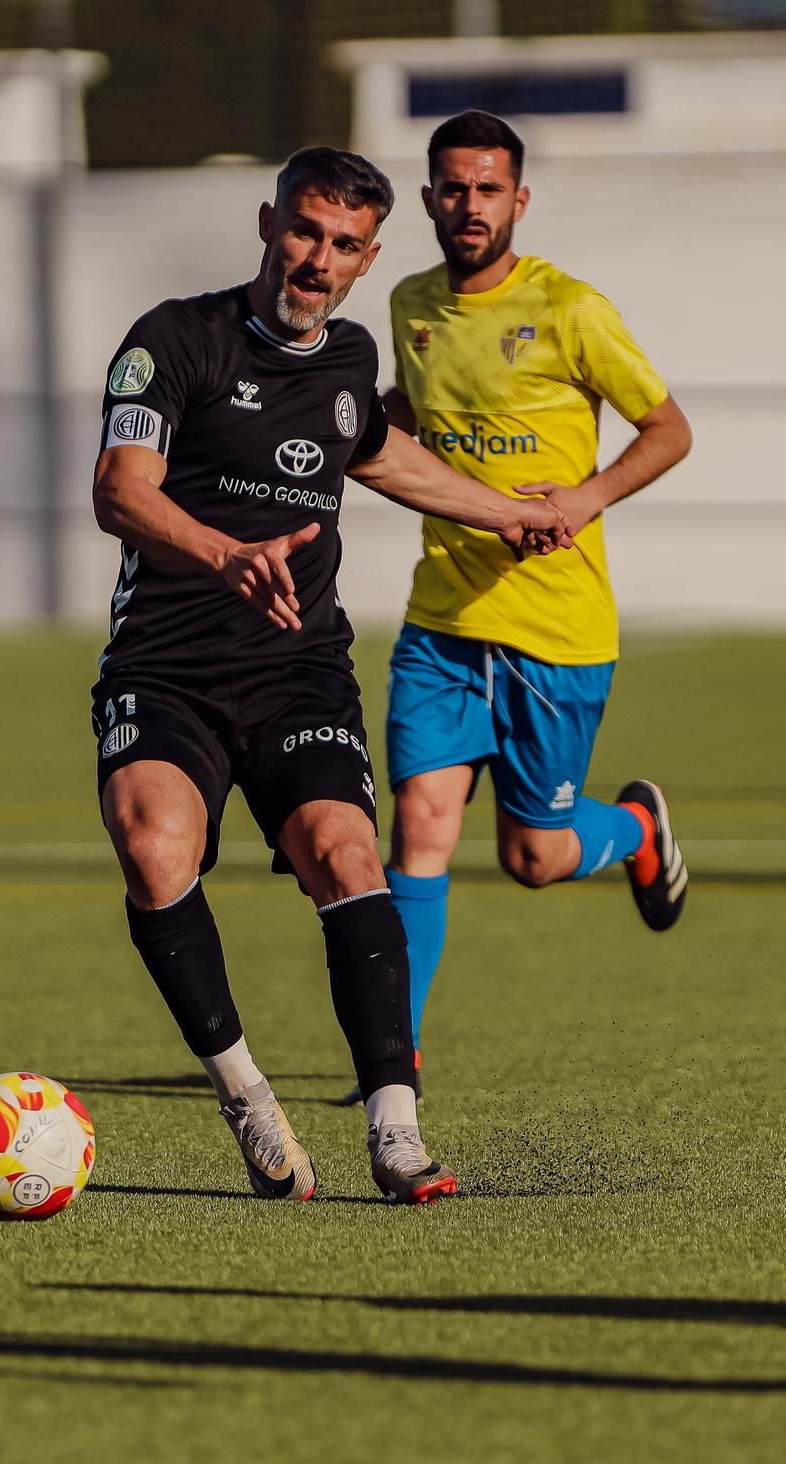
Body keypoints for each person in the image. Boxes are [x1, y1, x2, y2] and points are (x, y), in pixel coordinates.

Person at [92, 146, 569, 1205]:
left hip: (297, 667)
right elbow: (121, 492)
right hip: (167, 665)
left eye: (343, 244)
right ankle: (247, 1097)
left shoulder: (350, 360)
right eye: (304, 231)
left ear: (367, 256)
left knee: (347, 851)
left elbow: (382, 459)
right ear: (268, 222)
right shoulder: (172, 339)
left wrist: (514, 512)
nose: (317, 259)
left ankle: (394, 1130)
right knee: (150, 840)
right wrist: (224, 554)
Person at [367, 110, 692, 1102]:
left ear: (518, 199)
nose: (469, 206)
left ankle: (634, 831)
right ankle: (396, 1064)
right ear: (428, 199)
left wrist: (583, 496)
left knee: (534, 859)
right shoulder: (408, 302)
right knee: (419, 826)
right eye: (452, 189)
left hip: (555, 630)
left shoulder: (568, 308)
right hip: (442, 624)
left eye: (487, 189)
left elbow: (667, 428)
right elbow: (407, 420)